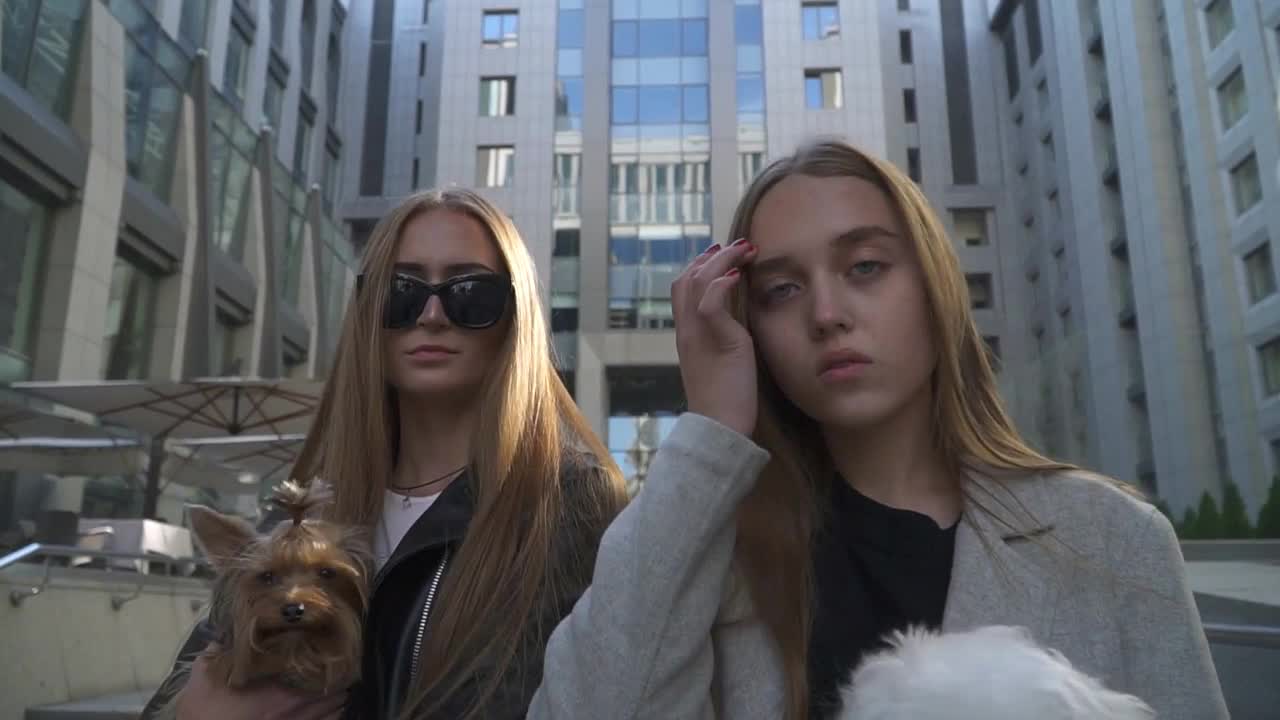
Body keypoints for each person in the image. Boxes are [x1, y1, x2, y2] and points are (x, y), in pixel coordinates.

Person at [536, 138, 1227, 720]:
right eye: (782, 289)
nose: (827, 313)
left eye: (865, 266)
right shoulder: (707, 552)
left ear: (933, 284)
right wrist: (712, 428)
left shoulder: (1112, 540)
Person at [141, 188, 628, 719]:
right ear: (367, 312)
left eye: (469, 291)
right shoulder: (303, 509)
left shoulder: (569, 503)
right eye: (401, 291)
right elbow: (185, 688)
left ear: (516, 318)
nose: (432, 315)